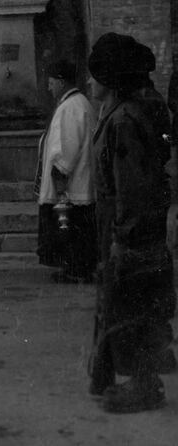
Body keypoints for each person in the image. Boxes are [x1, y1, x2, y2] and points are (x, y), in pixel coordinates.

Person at [87, 32, 176, 413]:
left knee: (133, 308)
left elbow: (134, 191)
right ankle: (114, 372)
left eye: (95, 75)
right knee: (124, 304)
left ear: (110, 79)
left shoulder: (124, 121)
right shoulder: (125, 112)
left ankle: (144, 386)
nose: (89, 82)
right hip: (127, 228)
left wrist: (123, 241)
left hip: (131, 233)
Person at [35, 60, 98, 284]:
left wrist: (61, 188)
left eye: (51, 83)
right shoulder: (78, 103)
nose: (49, 87)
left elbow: (65, 151)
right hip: (79, 183)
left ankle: (76, 270)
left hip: (72, 187)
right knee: (78, 230)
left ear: (61, 82)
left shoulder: (70, 108)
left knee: (72, 229)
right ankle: (77, 268)